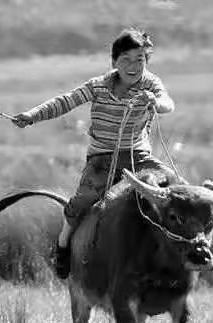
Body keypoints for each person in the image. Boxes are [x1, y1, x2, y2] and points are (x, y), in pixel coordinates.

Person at [12, 28, 175, 279]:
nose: (134, 66)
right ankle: (63, 247)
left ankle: (180, 252)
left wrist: (155, 101)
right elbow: (65, 102)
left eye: (140, 59)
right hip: (102, 160)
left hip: (139, 158)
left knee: (176, 189)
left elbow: (167, 103)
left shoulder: (151, 84)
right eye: (126, 60)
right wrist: (31, 116)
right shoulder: (98, 86)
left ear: (147, 61)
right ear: (114, 62)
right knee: (81, 202)